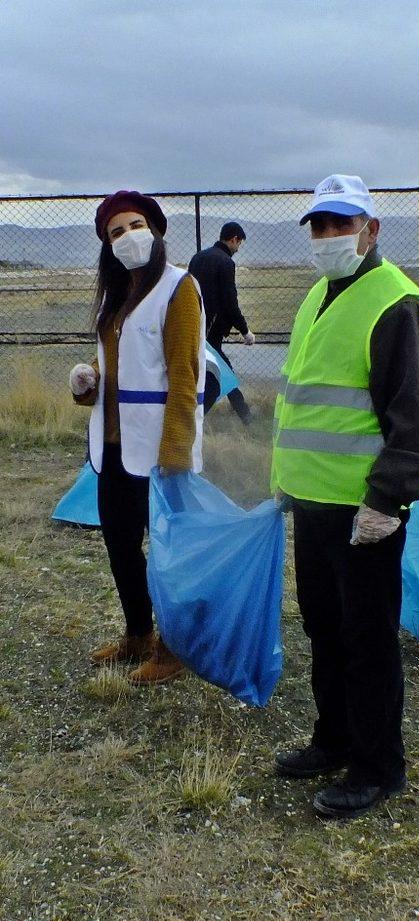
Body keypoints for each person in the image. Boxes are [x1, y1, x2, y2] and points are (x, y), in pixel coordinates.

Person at [271, 174, 419, 819]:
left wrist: (388, 500)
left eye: (341, 224)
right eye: (318, 225)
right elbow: (304, 397)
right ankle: (333, 738)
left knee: (367, 638)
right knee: (323, 626)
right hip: (313, 504)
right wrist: (285, 484)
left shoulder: (395, 302)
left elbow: (417, 417)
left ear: (371, 230)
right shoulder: (319, 293)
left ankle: (378, 766)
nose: (328, 236)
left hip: (362, 511)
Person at [69, 190, 206, 683]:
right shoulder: (113, 296)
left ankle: (173, 649)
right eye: (116, 231)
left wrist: (174, 454)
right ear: (107, 244)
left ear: (156, 229)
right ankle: (138, 635)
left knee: (167, 553)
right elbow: (121, 369)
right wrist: (89, 384)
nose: (127, 236)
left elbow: (185, 377)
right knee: (121, 545)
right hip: (112, 449)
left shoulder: (179, 289)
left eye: (135, 225)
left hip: (157, 453)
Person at [188, 222, 254, 425]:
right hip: (211, 329)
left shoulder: (198, 258)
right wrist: (245, 331)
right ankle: (243, 417)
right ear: (234, 239)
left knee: (205, 373)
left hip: (194, 324)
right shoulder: (226, 262)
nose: (238, 248)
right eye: (239, 243)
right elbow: (229, 301)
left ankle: (244, 414)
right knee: (222, 373)